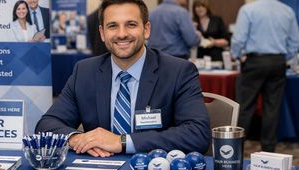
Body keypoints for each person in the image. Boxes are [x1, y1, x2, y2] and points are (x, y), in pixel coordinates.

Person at [36, 0, 210, 157]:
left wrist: (122, 142)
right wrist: (77, 139)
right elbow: (47, 124)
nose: (121, 34)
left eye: (131, 24)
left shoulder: (178, 71)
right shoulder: (84, 71)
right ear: (102, 33)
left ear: (146, 29)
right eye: (112, 26)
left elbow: (197, 134)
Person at [231, 0, 299, 152]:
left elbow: (239, 38)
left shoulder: (248, 9)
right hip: (278, 62)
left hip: (254, 61)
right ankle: (268, 149)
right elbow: (295, 42)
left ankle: (235, 148)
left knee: (245, 107)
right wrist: (282, 58)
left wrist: (237, 55)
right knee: (272, 108)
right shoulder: (287, 11)